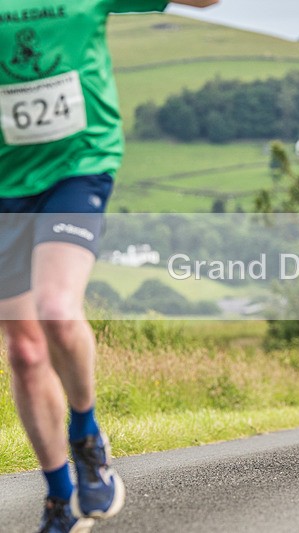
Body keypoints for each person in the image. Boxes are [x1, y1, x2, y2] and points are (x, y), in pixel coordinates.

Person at [0, 2, 218, 532]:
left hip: (78, 167)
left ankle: (86, 435)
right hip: (6, 183)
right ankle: (60, 498)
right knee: (25, 352)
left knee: (56, 308)